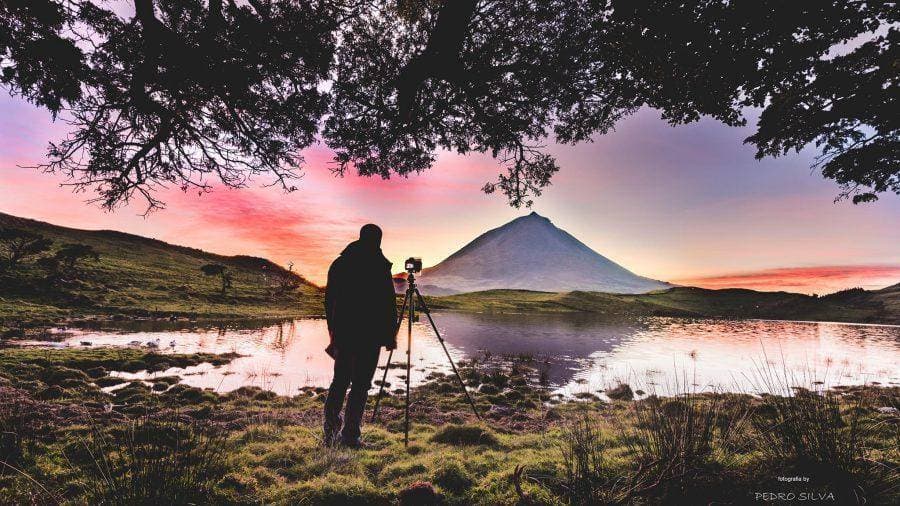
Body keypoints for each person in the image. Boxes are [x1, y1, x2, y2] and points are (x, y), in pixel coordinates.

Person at [323, 224, 398, 447]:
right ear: (378, 240)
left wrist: (333, 334)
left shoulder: (340, 263)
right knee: (361, 385)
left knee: (340, 382)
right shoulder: (379, 265)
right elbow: (388, 304)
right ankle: (350, 436)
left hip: (344, 334)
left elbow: (329, 302)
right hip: (370, 336)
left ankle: (330, 434)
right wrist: (390, 335)